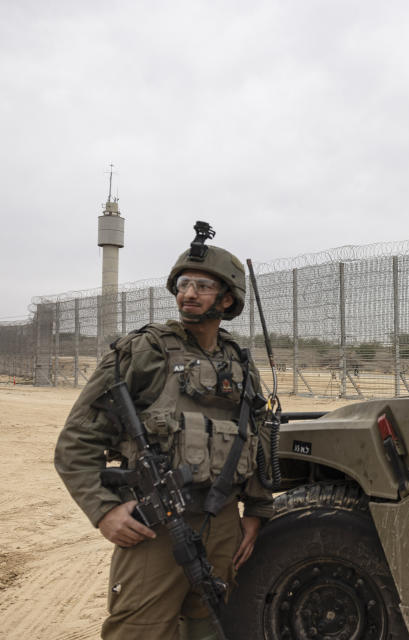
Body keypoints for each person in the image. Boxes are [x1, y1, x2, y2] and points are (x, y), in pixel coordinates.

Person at [54, 224, 274, 639]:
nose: (188, 294)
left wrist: (257, 512)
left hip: (222, 523)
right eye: (184, 284)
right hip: (155, 524)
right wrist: (104, 510)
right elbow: (76, 442)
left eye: (202, 286)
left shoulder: (240, 363)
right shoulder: (143, 352)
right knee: (139, 631)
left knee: (210, 629)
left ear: (227, 299)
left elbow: (256, 439)